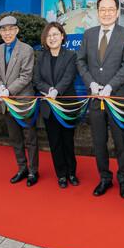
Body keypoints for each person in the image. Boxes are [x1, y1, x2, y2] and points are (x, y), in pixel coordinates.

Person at [77, 0, 124, 198]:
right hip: (94, 97)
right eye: (103, 9)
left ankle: (123, 178)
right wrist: (91, 83)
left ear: (117, 12)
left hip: (117, 97)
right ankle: (104, 178)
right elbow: (80, 61)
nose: (107, 13)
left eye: (111, 9)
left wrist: (110, 86)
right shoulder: (89, 34)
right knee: (98, 140)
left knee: (120, 140)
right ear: (97, 12)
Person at [0, 15, 39, 186]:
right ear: (0, 33)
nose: (7, 33)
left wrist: (8, 90)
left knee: (30, 138)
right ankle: (22, 168)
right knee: (15, 138)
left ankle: (33, 171)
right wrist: (0, 88)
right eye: (4, 30)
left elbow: (26, 76)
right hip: (7, 104)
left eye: (11, 29)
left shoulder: (26, 49)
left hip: (23, 102)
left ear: (17, 30)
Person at [33, 22, 79, 188]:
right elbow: (37, 80)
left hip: (66, 105)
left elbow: (68, 77)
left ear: (62, 36)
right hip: (49, 107)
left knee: (68, 141)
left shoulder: (71, 55)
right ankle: (61, 174)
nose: (52, 38)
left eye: (55, 34)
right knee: (55, 142)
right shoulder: (41, 57)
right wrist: (49, 90)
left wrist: (56, 91)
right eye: (49, 35)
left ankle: (71, 172)